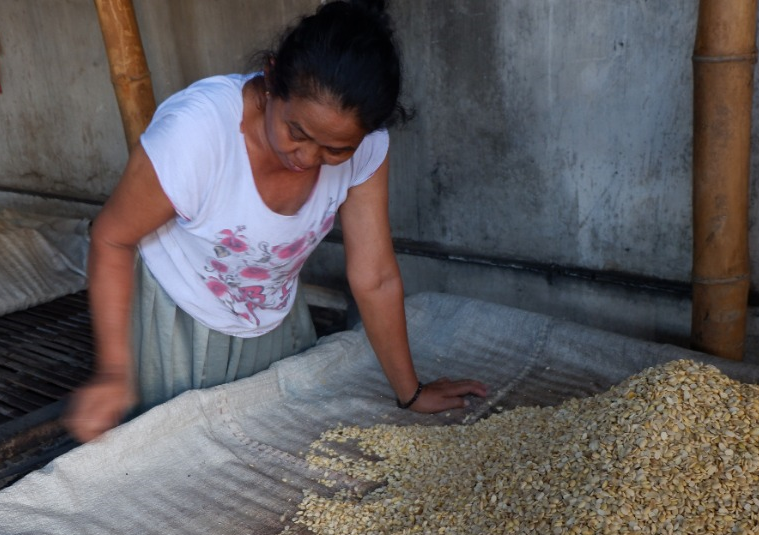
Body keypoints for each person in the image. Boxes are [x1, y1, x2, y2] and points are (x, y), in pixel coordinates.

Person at [65, 0, 487, 443]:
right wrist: (113, 372)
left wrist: (410, 392)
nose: (307, 158)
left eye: (335, 150)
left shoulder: (366, 147)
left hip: (274, 322)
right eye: (297, 133)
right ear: (271, 79)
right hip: (178, 322)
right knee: (180, 458)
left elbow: (375, 276)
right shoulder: (195, 135)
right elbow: (112, 238)